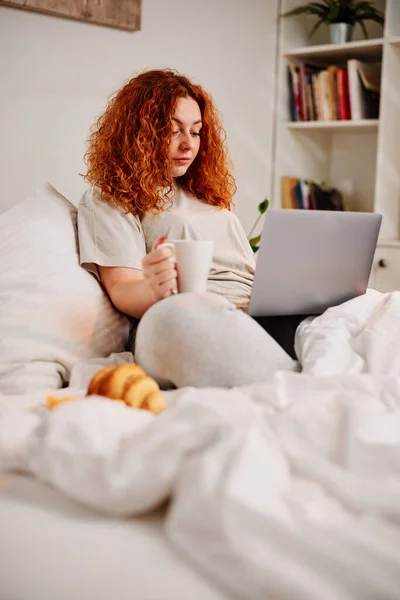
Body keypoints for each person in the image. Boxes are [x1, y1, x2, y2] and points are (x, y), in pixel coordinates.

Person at [77, 69, 298, 388]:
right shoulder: (111, 197)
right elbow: (122, 288)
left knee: (371, 305)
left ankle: (305, 371)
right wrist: (155, 287)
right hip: (181, 314)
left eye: (195, 132)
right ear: (140, 131)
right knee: (180, 319)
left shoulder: (204, 193)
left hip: (251, 312)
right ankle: (293, 385)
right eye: (172, 130)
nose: (188, 145)